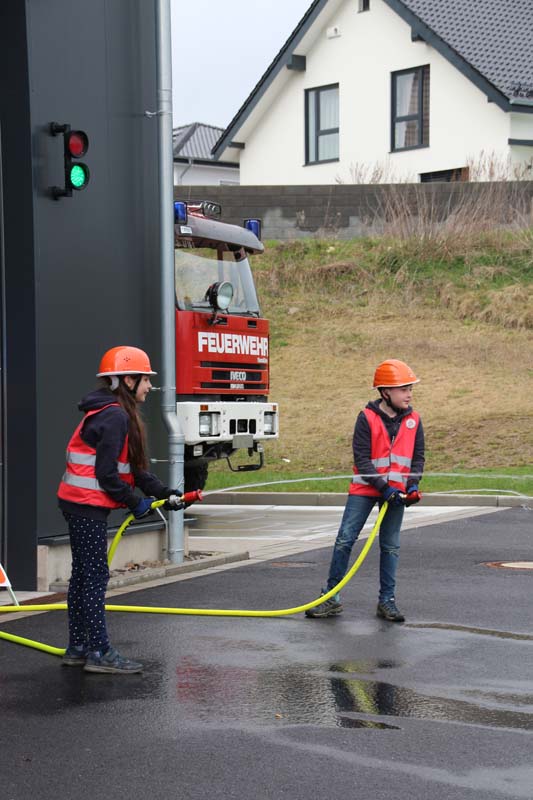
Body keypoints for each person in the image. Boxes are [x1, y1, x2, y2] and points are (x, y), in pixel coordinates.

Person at [57, 345, 185, 674]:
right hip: (86, 506)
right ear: (128, 380)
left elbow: (134, 470)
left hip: (77, 504)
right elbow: (107, 475)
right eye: (145, 380)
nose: (149, 387)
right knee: (94, 578)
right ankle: (98, 652)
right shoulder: (114, 415)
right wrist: (134, 502)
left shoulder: (112, 412)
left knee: (83, 577)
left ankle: (78, 647)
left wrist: (164, 493)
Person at [306, 359, 425, 623]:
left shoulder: (414, 421)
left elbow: (417, 459)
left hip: (396, 493)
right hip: (365, 489)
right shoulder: (367, 418)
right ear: (385, 392)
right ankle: (331, 598)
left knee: (391, 546)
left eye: (410, 389)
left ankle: (387, 602)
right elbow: (362, 460)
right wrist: (385, 490)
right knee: (345, 540)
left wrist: (412, 486)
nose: (409, 394)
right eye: (403, 389)